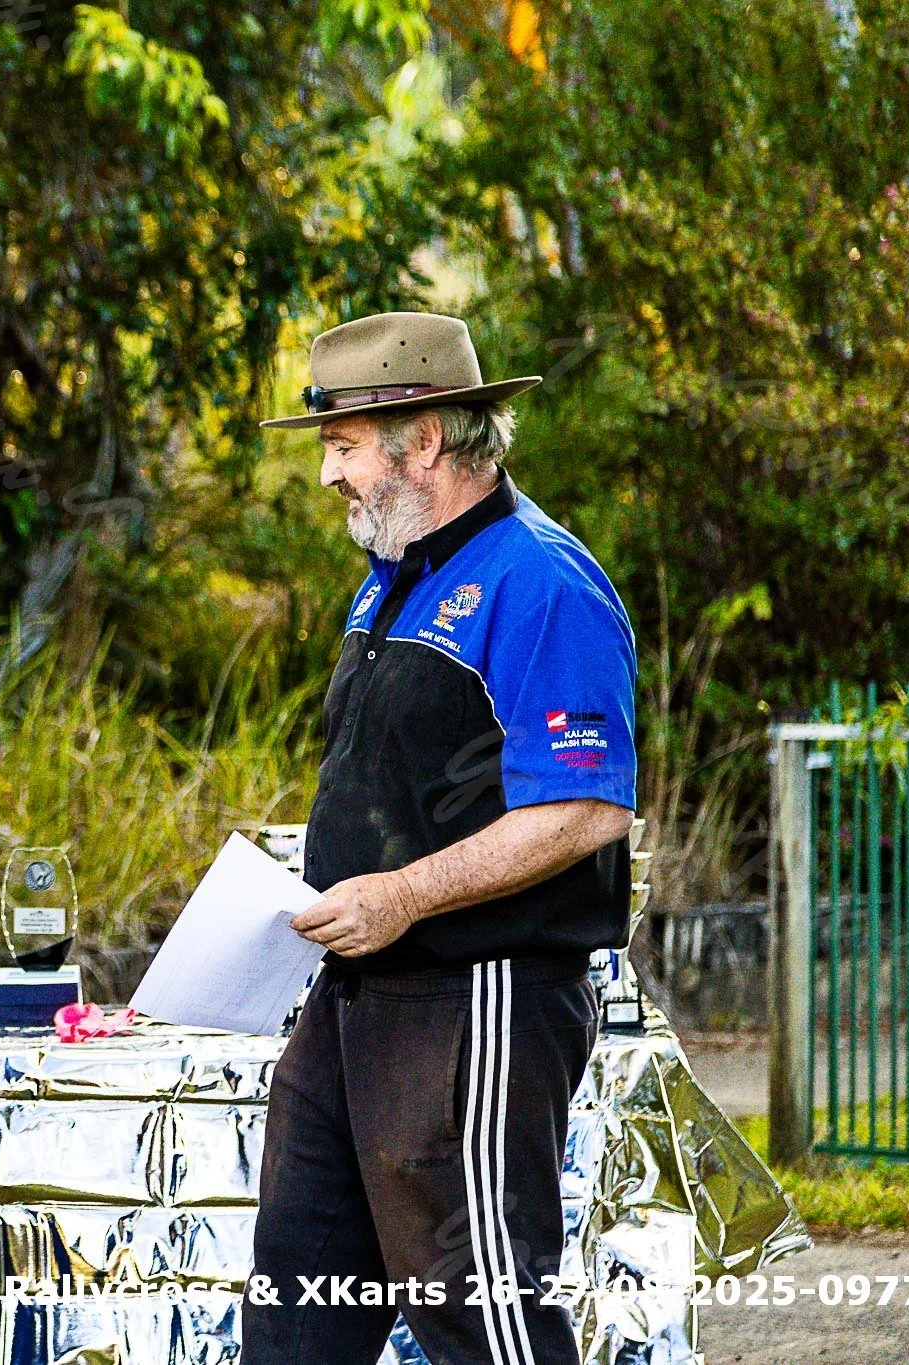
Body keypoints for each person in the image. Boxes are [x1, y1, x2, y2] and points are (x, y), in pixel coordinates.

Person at [242, 313, 637, 1365]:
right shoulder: (393, 572)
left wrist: (401, 895)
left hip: (478, 997)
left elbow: (586, 807)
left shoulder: (542, 580)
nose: (327, 474)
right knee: (294, 1306)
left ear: (423, 440)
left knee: (481, 1318)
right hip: (353, 997)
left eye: (342, 447)